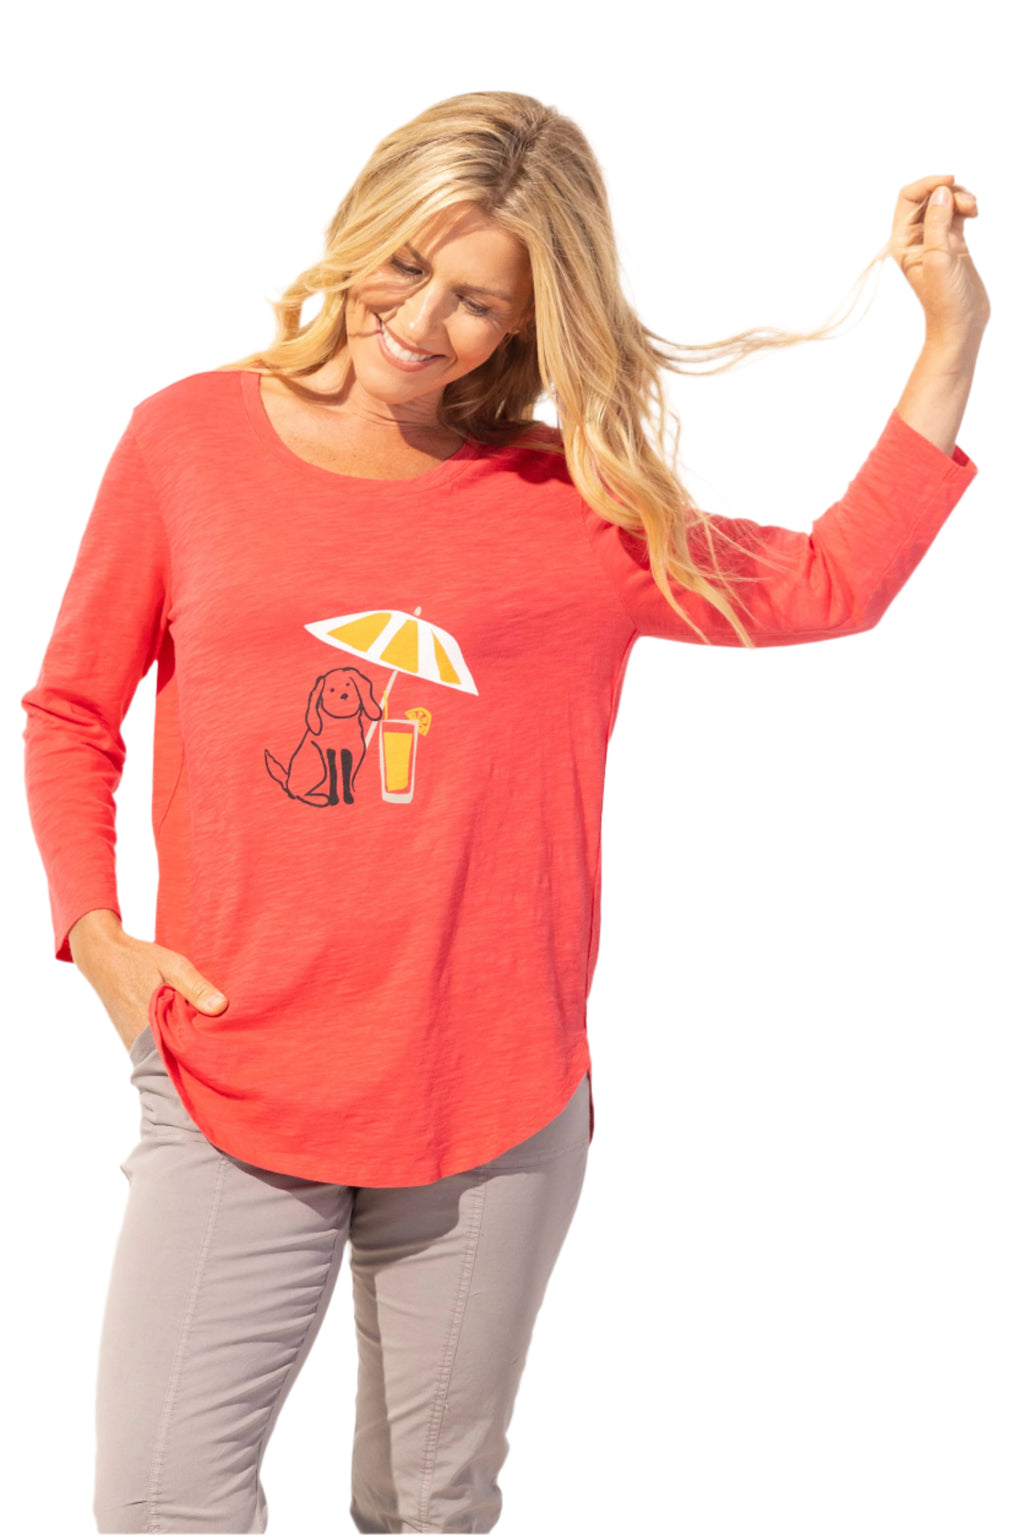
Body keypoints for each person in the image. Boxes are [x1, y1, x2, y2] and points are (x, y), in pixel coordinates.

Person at [20, 90, 986, 1535]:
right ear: (358, 230)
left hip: (492, 1089)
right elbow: (71, 713)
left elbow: (834, 582)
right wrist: (98, 940)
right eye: (406, 266)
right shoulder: (187, 441)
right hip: (232, 1066)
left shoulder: (571, 506)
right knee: (162, 1500)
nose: (421, 322)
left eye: (477, 302)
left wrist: (951, 336)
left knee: (430, 1506)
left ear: (529, 325)